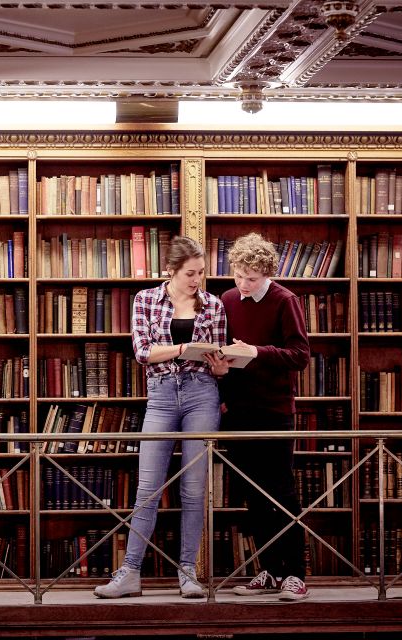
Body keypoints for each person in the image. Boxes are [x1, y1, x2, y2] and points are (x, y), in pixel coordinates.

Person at [94, 236, 224, 599]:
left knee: (194, 489)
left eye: (200, 273)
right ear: (171, 270)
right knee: (148, 489)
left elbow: (217, 354)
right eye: (189, 274)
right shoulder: (146, 300)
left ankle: (188, 573)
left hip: (202, 393)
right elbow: (142, 352)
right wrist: (183, 349)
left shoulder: (212, 305)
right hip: (162, 396)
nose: (196, 280)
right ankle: (131, 572)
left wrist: (220, 364)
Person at [205, 232, 311, 601]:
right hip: (239, 409)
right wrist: (220, 367)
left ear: (266, 273)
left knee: (281, 492)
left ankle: (295, 574)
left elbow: (300, 355)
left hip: (275, 410)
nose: (243, 285)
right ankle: (268, 570)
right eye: (238, 276)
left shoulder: (285, 300)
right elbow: (226, 350)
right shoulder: (228, 299)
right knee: (252, 495)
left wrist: (257, 351)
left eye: (251, 278)